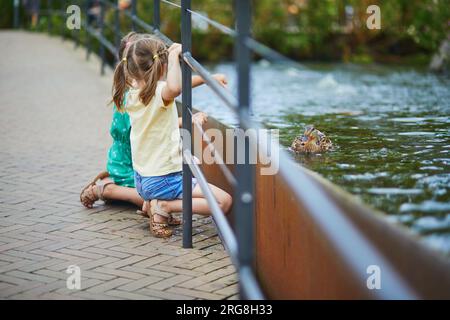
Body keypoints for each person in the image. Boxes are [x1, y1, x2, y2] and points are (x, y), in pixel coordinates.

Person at [79, 32, 208, 222]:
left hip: (137, 162)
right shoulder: (143, 94)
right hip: (131, 165)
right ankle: (108, 190)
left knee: (157, 192)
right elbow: (154, 121)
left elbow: (164, 103)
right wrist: (187, 120)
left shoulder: (131, 92)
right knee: (153, 197)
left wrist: (206, 78)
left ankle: (143, 199)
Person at [113, 36, 232, 238]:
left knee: (191, 166)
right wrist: (175, 55)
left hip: (143, 180)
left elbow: (168, 101)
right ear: (162, 67)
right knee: (224, 201)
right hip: (162, 180)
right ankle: (164, 206)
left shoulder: (130, 94)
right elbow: (175, 87)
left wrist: (206, 78)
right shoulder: (159, 93)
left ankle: (155, 203)